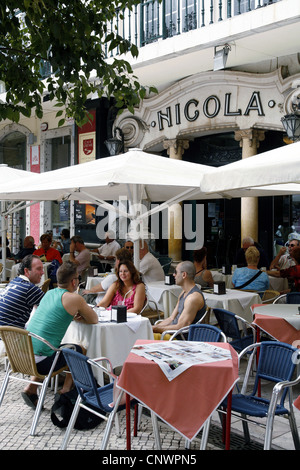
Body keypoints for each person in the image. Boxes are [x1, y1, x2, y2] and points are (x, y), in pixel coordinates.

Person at [23, 261, 98, 407]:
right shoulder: (74, 298)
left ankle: (31, 388)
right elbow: (94, 319)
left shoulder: (49, 293)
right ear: (73, 281)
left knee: (49, 347)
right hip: (41, 364)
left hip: (24, 355)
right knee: (79, 349)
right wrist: (82, 318)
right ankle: (65, 390)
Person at [152, 261, 206, 337]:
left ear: (184, 275)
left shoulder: (193, 298)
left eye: (176, 272)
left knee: (144, 336)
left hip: (179, 338)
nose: (173, 275)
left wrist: (155, 329)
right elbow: (171, 318)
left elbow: (181, 327)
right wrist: (154, 328)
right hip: (172, 334)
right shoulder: (184, 292)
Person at [0, 255, 44, 329]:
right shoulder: (30, 289)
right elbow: (53, 309)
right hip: (10, 337)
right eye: (39, 269)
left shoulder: (14, 281)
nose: (42, 272)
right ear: (26, 271)